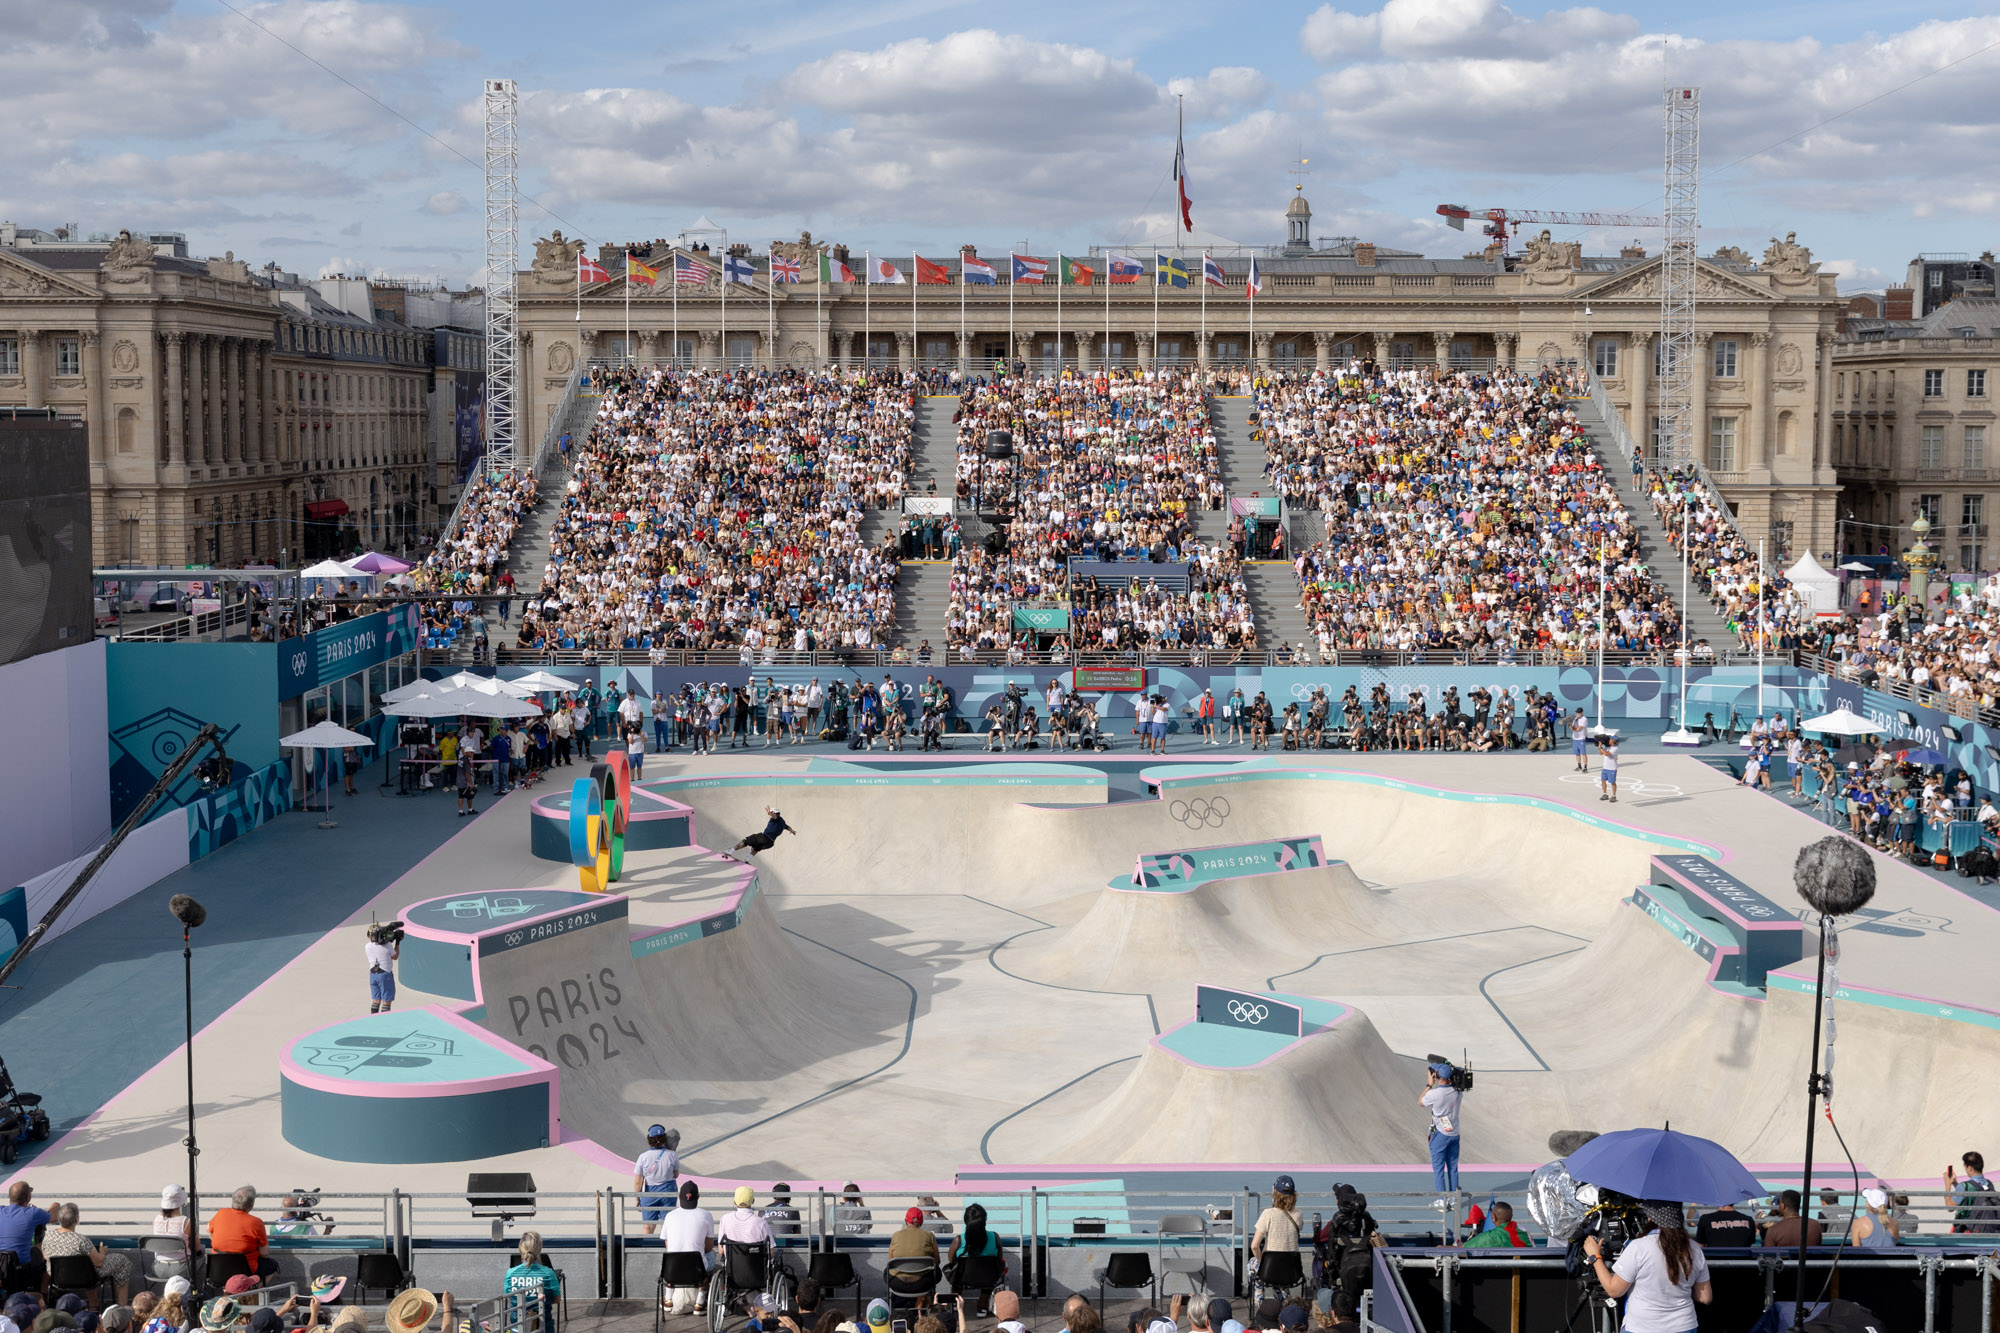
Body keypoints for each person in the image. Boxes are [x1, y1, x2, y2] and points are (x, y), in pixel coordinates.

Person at [1580, 1201, 1711, 1333]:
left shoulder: (1639, 1247)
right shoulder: (1694, 1249)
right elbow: (1705, 1297)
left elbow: (1614, 1290)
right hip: (1684, 1326)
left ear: (1650, 1218)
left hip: (1642, 1327)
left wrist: (1595, 1257)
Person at [42, 1204, 134, 1304]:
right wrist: (102, 1252)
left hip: (58, 1277)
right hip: (84, 1277)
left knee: (85, 1265)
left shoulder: (48, 1236)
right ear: (76, 1220)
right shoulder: (81, 1240)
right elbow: (99, 1262)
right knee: (122, 1260)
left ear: (59, 1219)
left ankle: (93, 1302)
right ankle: (122, 1307)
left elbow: (44, 1256)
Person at [661, 1182, 715, 1316]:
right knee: (711, 1255)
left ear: (679, 1197)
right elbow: (708, 1246)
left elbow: (668, 1245)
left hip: (672, 1270)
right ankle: (700, 1302)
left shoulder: (670, 1216)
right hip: (696, 1269)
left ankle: (668, 1299)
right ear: (698, 1196)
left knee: (672, 1256)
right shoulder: (706, 1215)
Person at [207, 1187, 276, 1281]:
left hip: (218, 1270)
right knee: (272, 1265)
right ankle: (252, 1289)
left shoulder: (220, 1213)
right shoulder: (256, 1222)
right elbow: (264, 1253)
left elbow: (209, 1231)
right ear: (251, 1205)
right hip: (245, 1271)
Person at [1249, 1175, 1302, 1298]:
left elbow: (1254, 1246)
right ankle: (1283, 1300)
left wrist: (1262, 1261)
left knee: (1252, 1263)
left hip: (1270, 1269)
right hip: (1291, 1270)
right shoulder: (1299, 1214)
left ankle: (1259, 1296)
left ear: (1275, 1193)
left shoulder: (1268, 1214)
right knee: (1281, 1268)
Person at [947, 1204, 1003, 1316]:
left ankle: (956, 1304)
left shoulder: (958, 1240)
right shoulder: (994, 1237)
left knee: (956, 1271)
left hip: (963, 1279)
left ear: (966, 1221)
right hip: (987, 1279)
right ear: (985, 1221)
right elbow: (999, 1258)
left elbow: (951, 1260)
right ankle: (982, 1305)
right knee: (992, 1271)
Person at [1420, 1063, 1463, 1199]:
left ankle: (1442, 1200)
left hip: (1440, 1134)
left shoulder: (1434, 1094)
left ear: (1436, 1076)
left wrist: (1429, 1084)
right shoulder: (1458, 1091)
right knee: (1453, 1168)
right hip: (1454, 1133)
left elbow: (1420, 1102)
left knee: (1438, 1169)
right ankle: (1454, 1199)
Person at [0, 1183, 52, 1292]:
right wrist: (55, 1205)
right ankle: (43, 1292)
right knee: (43, 1254)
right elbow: (55, 1216)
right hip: (23, 1269)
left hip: (2, 1267)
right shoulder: (33, 1213)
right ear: (28, 1197)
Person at [503, 1231, 561, 1324]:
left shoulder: (510, 1273)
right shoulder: (548, 1273)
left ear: (520, 1248)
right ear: (540, 1248)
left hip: (517, 1325)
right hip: (544, 1325)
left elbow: (509, 1297)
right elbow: (556, 1299)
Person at [631, 1125, 679, 1236]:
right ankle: (666, 1250)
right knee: (666, 1226)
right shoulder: (672, 1155)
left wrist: (637, 1198)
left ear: (649, 1139)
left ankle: (646, 1251)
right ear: (664, 1138)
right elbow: (676, 1175)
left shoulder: (643, 1157)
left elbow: (638, 1180)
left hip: (649, 1193)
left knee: (648, 1227)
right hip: (668, 1192)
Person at [1948, 1150, 1999, 1232]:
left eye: (1965, 1166)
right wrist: (1955, 1183)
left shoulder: (1964, 1186)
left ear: (1970, 1168)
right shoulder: (1989, 1184)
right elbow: (1970, 1193)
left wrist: (1947, 1185)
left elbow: (1950, 1207)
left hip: (1969, 1230)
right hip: (1988, 1229)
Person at [1756, 1190, 1823, 1248]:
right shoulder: (1815, 1225)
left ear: (1783, 1206)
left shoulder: (1773, 1230)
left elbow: (1769, 1256)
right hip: (1809, 1262)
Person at [731, 807, 796, 860]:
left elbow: (774, 816)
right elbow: (788, 827)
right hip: (770, 843)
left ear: (774, 812)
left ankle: (730, 851)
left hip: (764, 837)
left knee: (746, 841)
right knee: (757, 848)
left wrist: (769, 813)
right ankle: (747, 859)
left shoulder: (776, 818)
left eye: (772, 812)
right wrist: (792, 831)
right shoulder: (783, 822)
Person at [1463, 1201, 1527, 1248]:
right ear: (1511, 1216)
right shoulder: (1525, 1235)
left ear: (1493, 1218)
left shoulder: (1488, 1237)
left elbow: (1462, 1249)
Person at [365, 924, 398, 1015]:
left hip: (373, 975)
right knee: (386, 1001)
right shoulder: (387, 945)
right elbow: (395, 956)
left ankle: (374, 1020)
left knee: (376, 1000)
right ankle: (385, 1021)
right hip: (385, 975)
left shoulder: (367, 946)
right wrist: (398, 942)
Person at [1599, 736, 1619, 803]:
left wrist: (1600, 747)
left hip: (1612, 768)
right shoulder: (1607, 747)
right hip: (1605, 767)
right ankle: (1605, 794)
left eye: (1611, 739)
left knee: (1612, 782)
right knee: (1603, 781)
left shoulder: (1615, 748)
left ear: (1614, 741)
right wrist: (1600, 746)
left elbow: (1607, 754)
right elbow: (1601, 753)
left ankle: (1614, 796)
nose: (1609, 740)